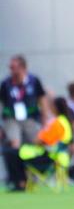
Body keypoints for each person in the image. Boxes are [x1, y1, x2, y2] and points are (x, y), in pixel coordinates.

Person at [0, 55, 49, 191]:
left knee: (36, 143)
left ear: (22, 67)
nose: (11, 70)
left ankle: (34, 176)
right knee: (14, 144)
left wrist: (45, 119)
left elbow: (42, 99)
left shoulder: (34, 81)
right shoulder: (6, 83)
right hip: (12, 119)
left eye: (13, 67)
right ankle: (18, 180)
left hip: (30, 118)